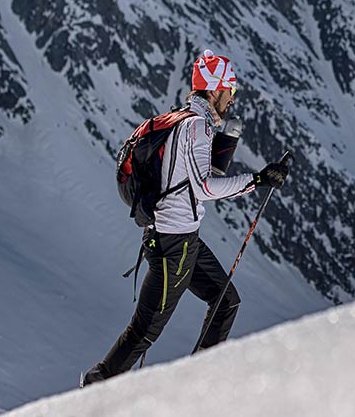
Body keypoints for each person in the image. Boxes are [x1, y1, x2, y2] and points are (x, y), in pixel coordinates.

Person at [81, 50, 289, 386]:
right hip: (172, 244)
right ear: (214, 90)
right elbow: (204, 186)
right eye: (230, 92)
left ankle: (198, 384)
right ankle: (92, 391)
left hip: (180, 239)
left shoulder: (186, 120)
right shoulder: (196, 127)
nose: (231, 100)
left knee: (226, 302)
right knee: (145, 331)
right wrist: (257, 181)